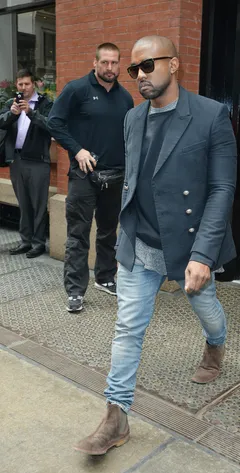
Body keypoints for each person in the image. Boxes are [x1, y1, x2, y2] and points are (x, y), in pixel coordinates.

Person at [74, 35, 237, 455]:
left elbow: (221, 187)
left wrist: (203, 254)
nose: (140, 76)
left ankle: (216, 345)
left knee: (209, 310)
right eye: (134, 70)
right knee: (128, 327)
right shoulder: (133, 117)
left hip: (187, 245)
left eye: (148, 66)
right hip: (140, 241)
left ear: (175, 64)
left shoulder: (210, 115)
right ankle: (116, 415)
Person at [47, 43, 134, 313]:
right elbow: (54, 123)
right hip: (84, 175)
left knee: (109, 232)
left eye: (115, 63)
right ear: (95, 63)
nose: (110, 68)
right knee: (78, 235)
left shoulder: (125, 98)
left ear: (120, 64)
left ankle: (105, 278)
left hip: (116, 176)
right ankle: (75, 291)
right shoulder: (76, 89)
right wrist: (78, 150)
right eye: (105, 62)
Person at [0, 69, 53, 258]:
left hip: (38, 161)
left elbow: (51, 126)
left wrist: (31, 113)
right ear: (17, 85)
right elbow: (1, 122)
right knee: (23, 204)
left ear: (35, 84)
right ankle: (25, 241)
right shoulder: (10, 103)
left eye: (27, 84)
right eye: (20, 84)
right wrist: (12, 114)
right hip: (17, 160)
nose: (23, 88)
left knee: (38, 205)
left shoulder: (45, 103)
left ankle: (38, 244)